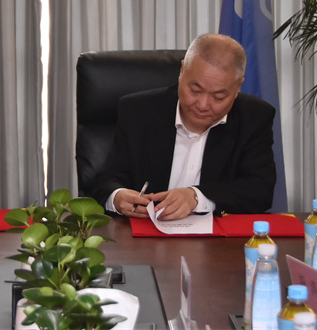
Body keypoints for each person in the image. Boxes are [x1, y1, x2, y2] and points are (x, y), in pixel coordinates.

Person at [92, 33, 276, 219]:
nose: (203, 105)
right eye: (195, 90)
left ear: (237, 87)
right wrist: (117, 197)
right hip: (145, 232)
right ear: (182, 71)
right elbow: (106, 180)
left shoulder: (254, 118)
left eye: (219, 97)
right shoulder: (138, 112)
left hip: (216, 236)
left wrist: (196, 197)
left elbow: (260, 190)